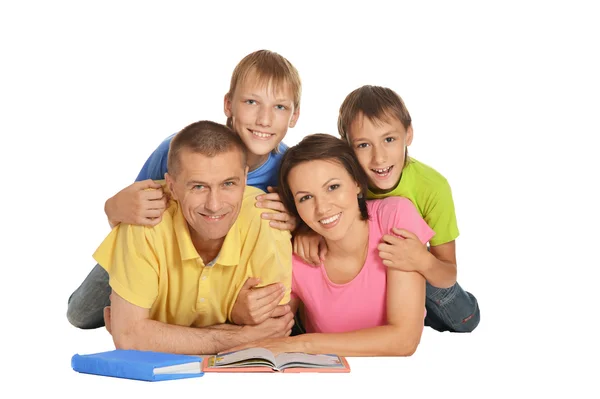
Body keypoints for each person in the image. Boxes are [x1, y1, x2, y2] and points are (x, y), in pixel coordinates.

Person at [67, 49, 301, 329]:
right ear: (228, 104)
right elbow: (134, 225)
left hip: (233, 266)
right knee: (80, 313)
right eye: (251, 102)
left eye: (279, 107)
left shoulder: (292, 169)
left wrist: (298, 222)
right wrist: (112, 208)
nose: (264, 119)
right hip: (170, 258)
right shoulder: (179, 150)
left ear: (294, 116)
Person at [95, 120, 294, 355]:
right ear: (172, 186)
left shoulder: (268, 219)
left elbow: (273, 330)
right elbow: (129, 337)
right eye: (198, 187)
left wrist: (153, 333)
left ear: (245, 178)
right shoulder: (145, 219)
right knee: (80, 311)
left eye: (229, 184)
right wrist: (238, 333)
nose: (214, 205)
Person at [226, 133, 433, 356]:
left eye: (333, 187)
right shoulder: (295, 257)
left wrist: (303, 344)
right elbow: (270, 334)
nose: (322, 208)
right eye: (305, 198)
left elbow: (405, 341)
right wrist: (238, 312)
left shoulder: (394, 216)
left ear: (356, 182)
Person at [294, 85, 480, 333]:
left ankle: (425, 311)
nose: (379, 158)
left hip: (420, 268)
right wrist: (309, 231)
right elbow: (324, 210)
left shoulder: (433, 187)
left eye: (389, 139)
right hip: (375, 279)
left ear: (409, 134)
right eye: (363, 145)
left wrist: (421, 260)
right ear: (346, 147)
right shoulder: (345, 182)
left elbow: (447, 272)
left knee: (465, 317)